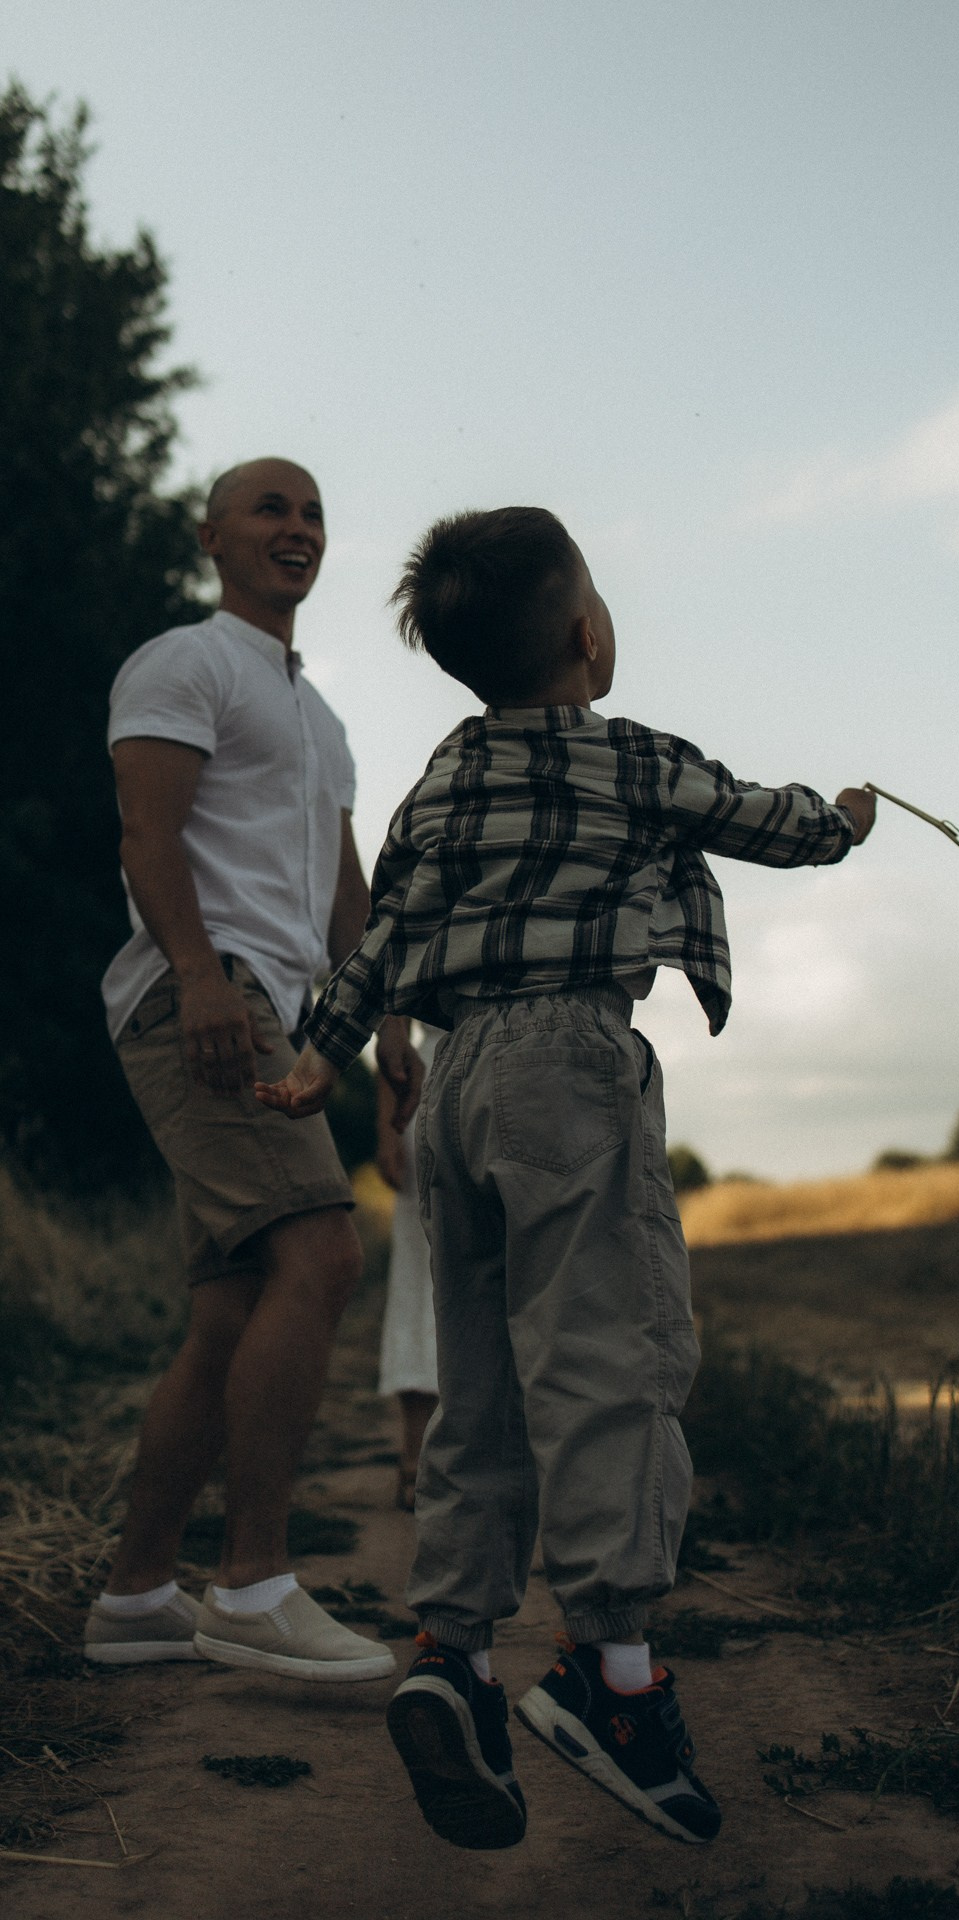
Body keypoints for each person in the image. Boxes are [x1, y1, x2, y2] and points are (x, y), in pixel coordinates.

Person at [258, 506, 877, 1843]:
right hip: (570, 1069)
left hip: (462, 1089)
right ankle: (613, 1675)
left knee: (479, 1384)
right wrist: (842, 822)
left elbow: (386, 934)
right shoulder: (634, 760)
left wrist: (324, 1056)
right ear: (590, 637)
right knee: (608, 1359)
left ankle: (455, 1654)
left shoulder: (440, 782)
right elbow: (762, 822)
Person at [83, 457, 422, 1682]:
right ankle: (253, 1583)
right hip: (206, 1001)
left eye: (315, 513)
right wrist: (200, 975)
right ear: (212, 533)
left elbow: (343, 895)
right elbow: (147, 832)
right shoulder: (186, 662)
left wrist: (388, 1033)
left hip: (281, 1009)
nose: (298, 529)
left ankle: (133, 1600)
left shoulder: (317, 715)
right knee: (324, 1252)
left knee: (231, 1313)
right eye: (271, 508)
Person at [375, 1024, 443, 1509]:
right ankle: (416, 1452)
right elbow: (392, 1004)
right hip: (431, 1079)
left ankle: (508, 1457)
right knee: (421, 1277)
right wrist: (386, 1125)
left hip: (530, 1068)